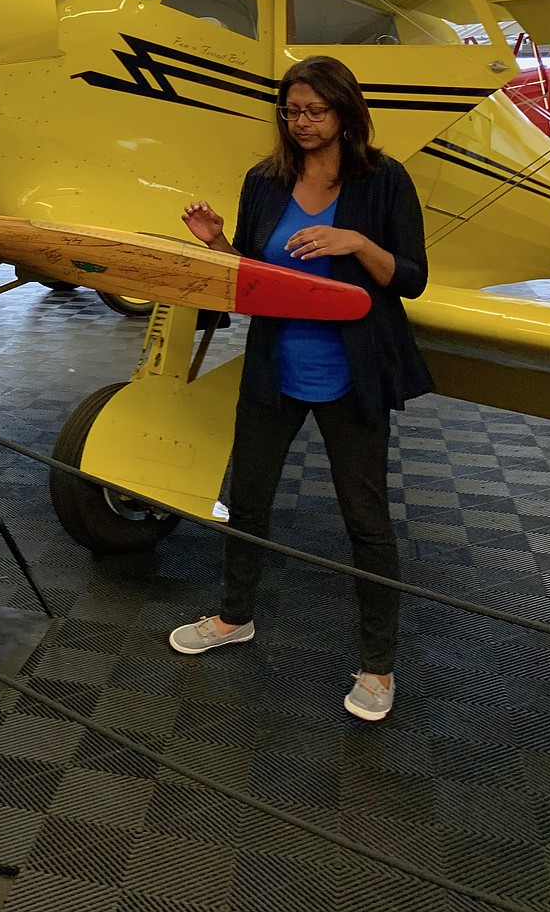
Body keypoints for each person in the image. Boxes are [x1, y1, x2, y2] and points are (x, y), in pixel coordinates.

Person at [167, 54, 432, 721]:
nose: (303, 122)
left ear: (345, 111)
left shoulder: (383, 180)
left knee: (366, 521)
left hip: (352, 373)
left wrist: (352, 241)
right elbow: (253, 280)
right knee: (248, 500)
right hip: (275, 367)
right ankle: (234, 617)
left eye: (316, 110)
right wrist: (219, 243)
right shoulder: (265, 181)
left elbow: (410, 277)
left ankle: (377, 667)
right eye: (292, 111)